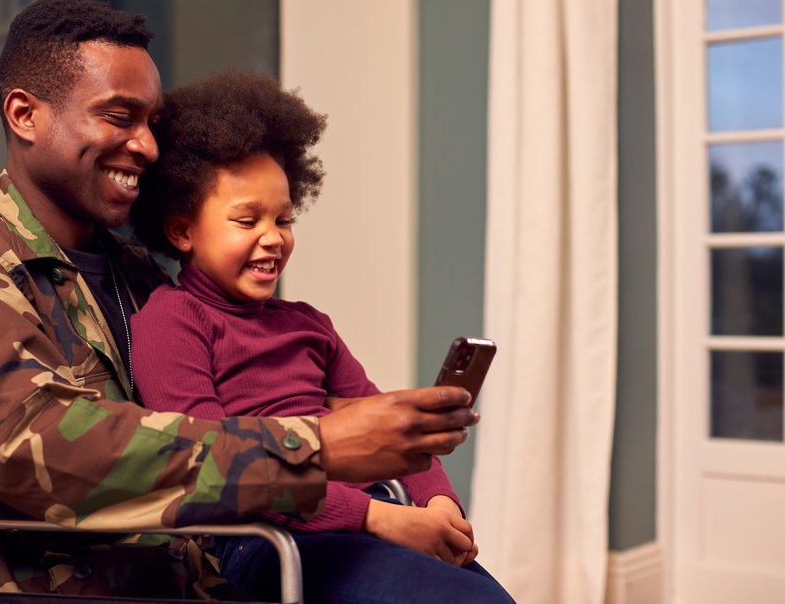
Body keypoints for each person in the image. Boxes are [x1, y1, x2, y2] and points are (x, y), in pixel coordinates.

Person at [0, 0, 480, 598]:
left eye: (151, 123)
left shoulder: (140, 272)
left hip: (205, 572)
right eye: (118, 117)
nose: (148, 147)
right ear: (26, 115)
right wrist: (315, 450)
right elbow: (34, 450)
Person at [127, 70, 514, 603]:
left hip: (374, 513)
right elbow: (209, 470)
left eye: (284, 219)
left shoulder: (307, 322)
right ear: (181, 231)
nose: (273, 238)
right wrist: (378, 518)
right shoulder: (170, 321)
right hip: (268, 537)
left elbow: (385, 418)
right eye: (247, 220)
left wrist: (439, 504)